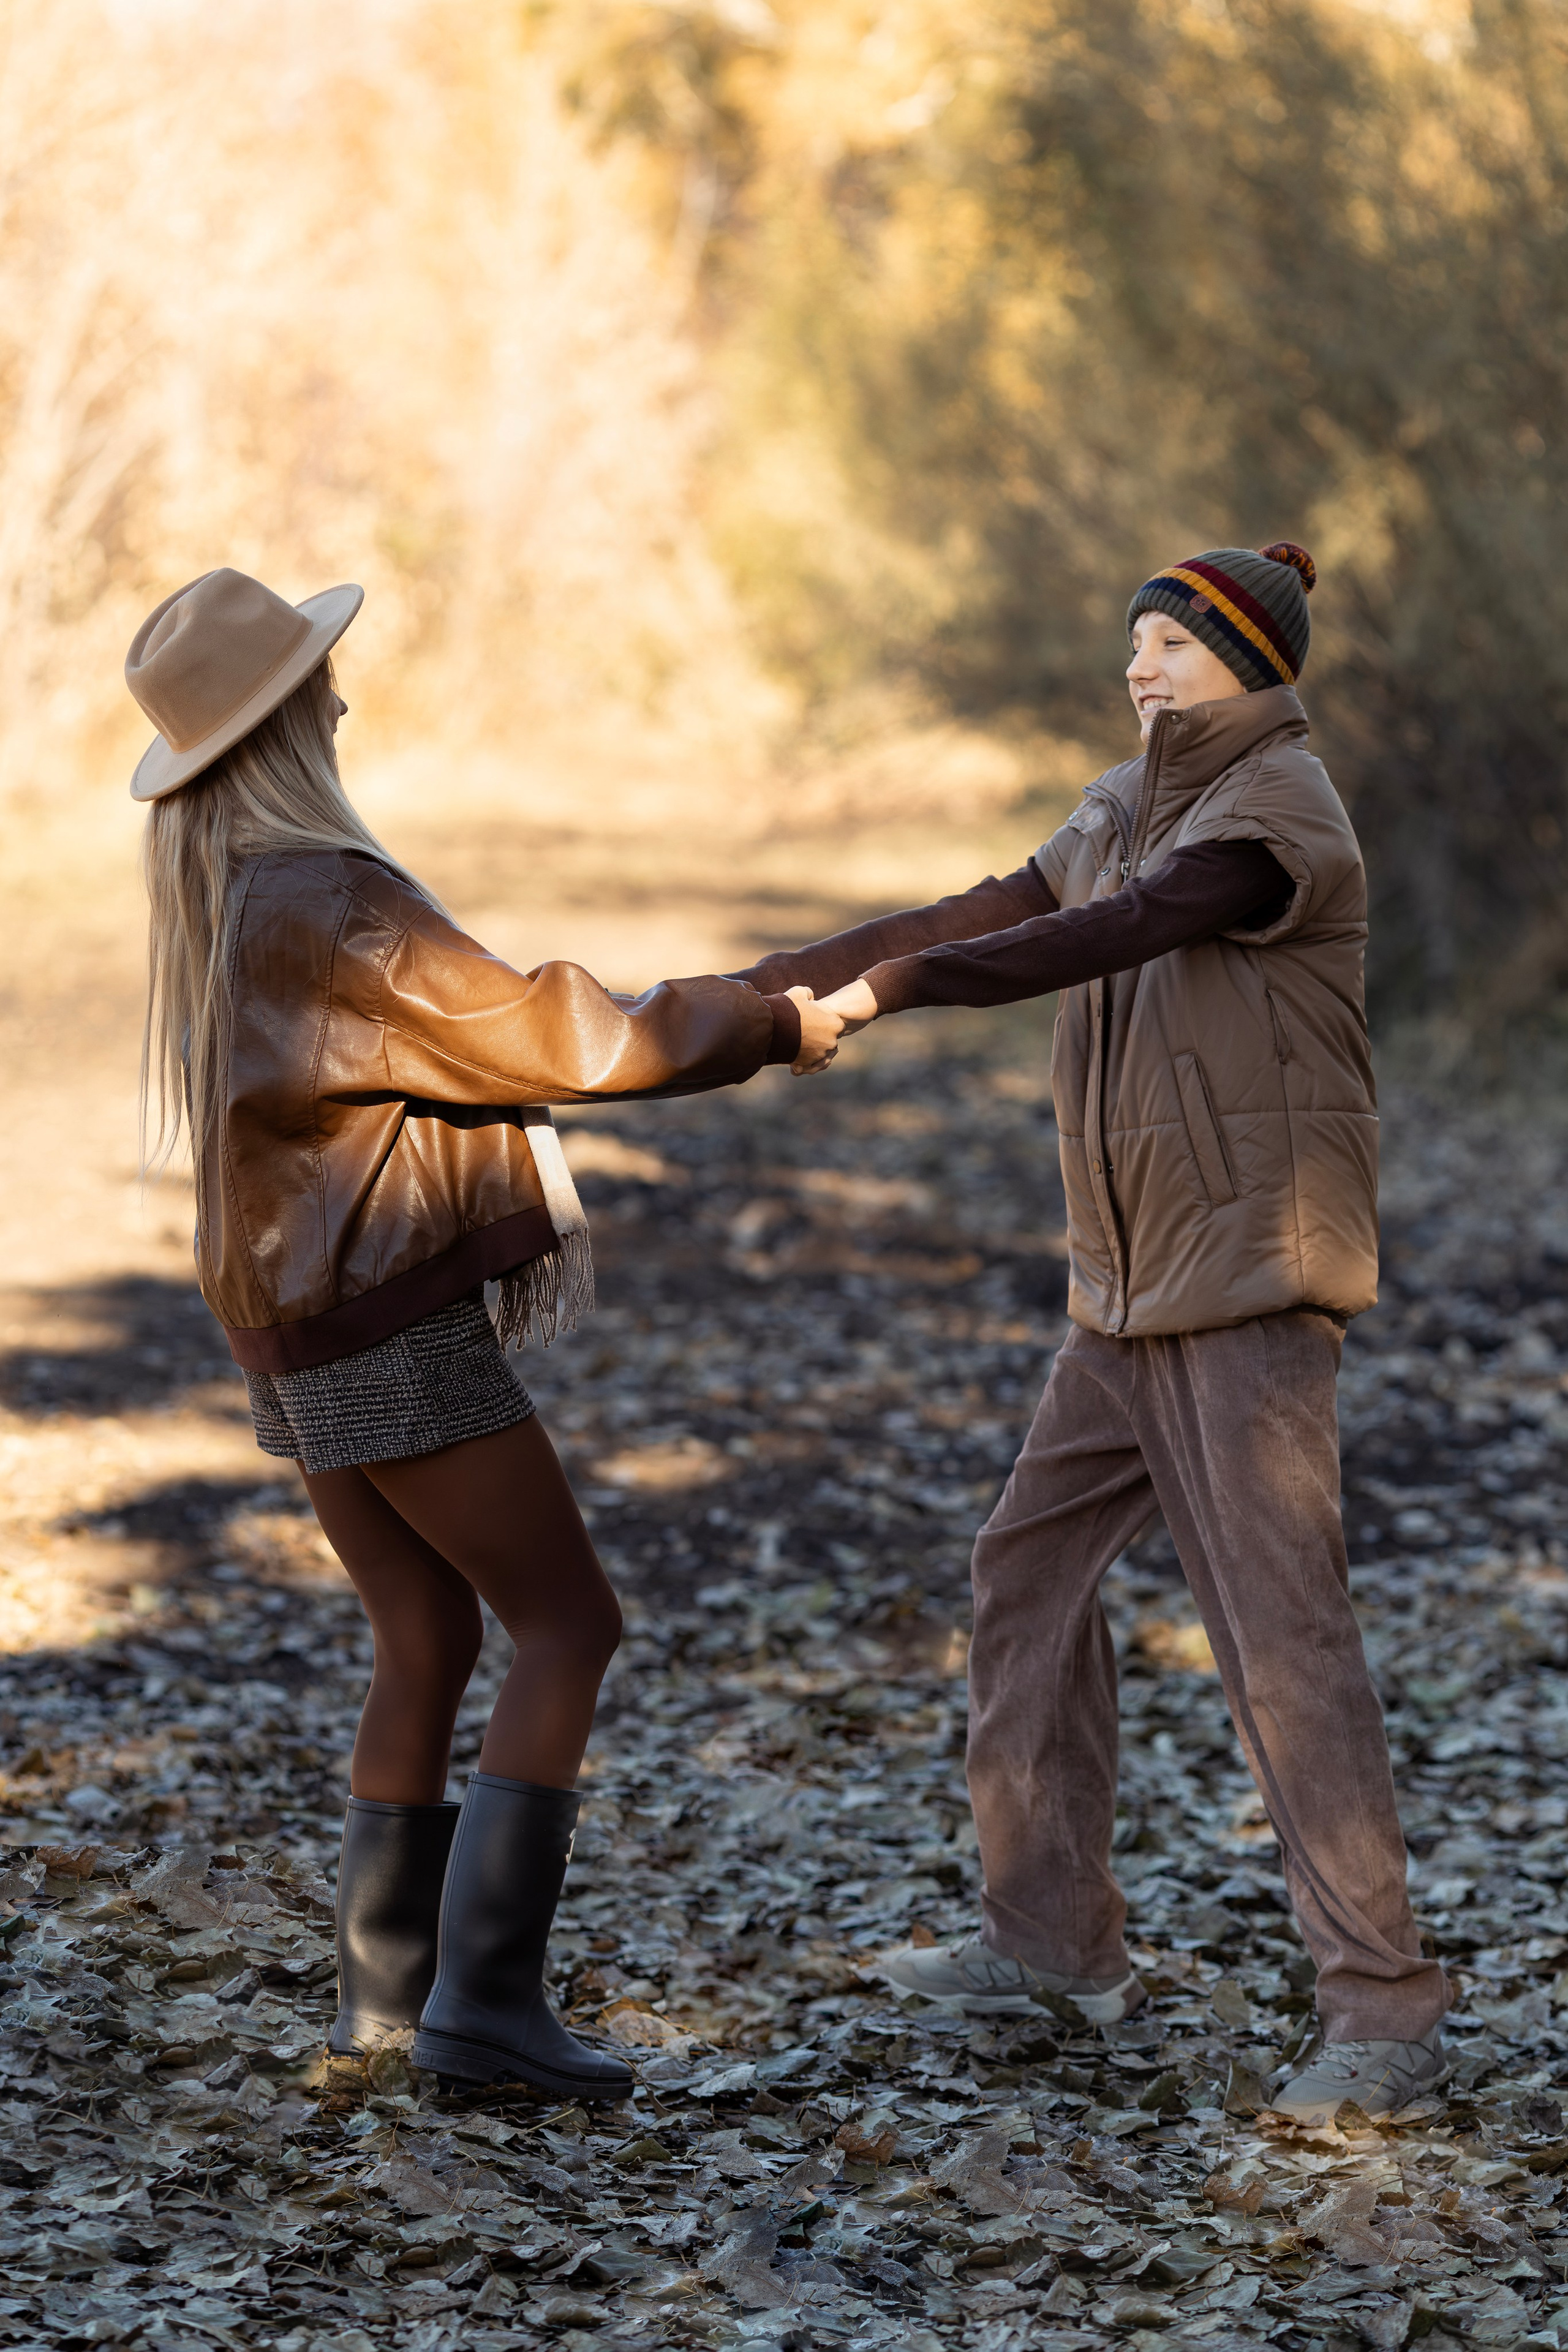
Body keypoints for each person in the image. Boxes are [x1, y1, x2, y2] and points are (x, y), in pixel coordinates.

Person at [738, 543, 1451, 2126]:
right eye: (1135, 642)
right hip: (1125, 1295)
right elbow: (998, 903)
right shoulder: (1130, 797)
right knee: (1027, 1577)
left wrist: (894, 997)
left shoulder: (1278, 817)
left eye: (1176, 650)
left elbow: (1102, 938)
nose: (1144, 670)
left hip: (1251, 1280)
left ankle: (1384, 2010)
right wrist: (756, 992)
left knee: (1283, 1643)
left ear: (1255, 665)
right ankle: (1051, 1946)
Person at [126, 567, 840, 2100]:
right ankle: (483, 2016)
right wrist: (772, 1022)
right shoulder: (330, 897)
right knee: (571, 1625)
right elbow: (553, 1038)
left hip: (296, 1339)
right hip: (385, 1328)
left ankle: (383, 2012)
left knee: (426, 1631)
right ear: (280, 725)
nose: (341, 694)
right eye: (318, 681)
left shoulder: (229, 894)